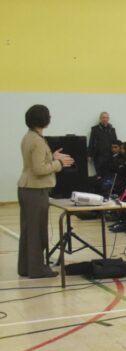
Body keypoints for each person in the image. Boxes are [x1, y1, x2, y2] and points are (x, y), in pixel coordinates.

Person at [18, 105, 74, 278]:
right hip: (36, 189)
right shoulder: (37, 140)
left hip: (27, 187)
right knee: (37, 231)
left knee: (28, 230)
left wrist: (52, 157)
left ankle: (25, 266)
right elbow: (39, 169)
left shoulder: (29, 137)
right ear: (44, 119)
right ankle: (37, 269)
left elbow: (36, 161)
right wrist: (59, 164)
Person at [88, 111, 117, 179]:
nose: (105, 119)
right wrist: (89, 155)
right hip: (98, 156)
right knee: (99, 176)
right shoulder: (95, 129)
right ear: (100, 119)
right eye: (103, 117)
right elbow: (91, 142)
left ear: (108, 119)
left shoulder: (112, 130)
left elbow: (115, 142)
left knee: (109, 176)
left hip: (110, 156)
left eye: (106, 118)